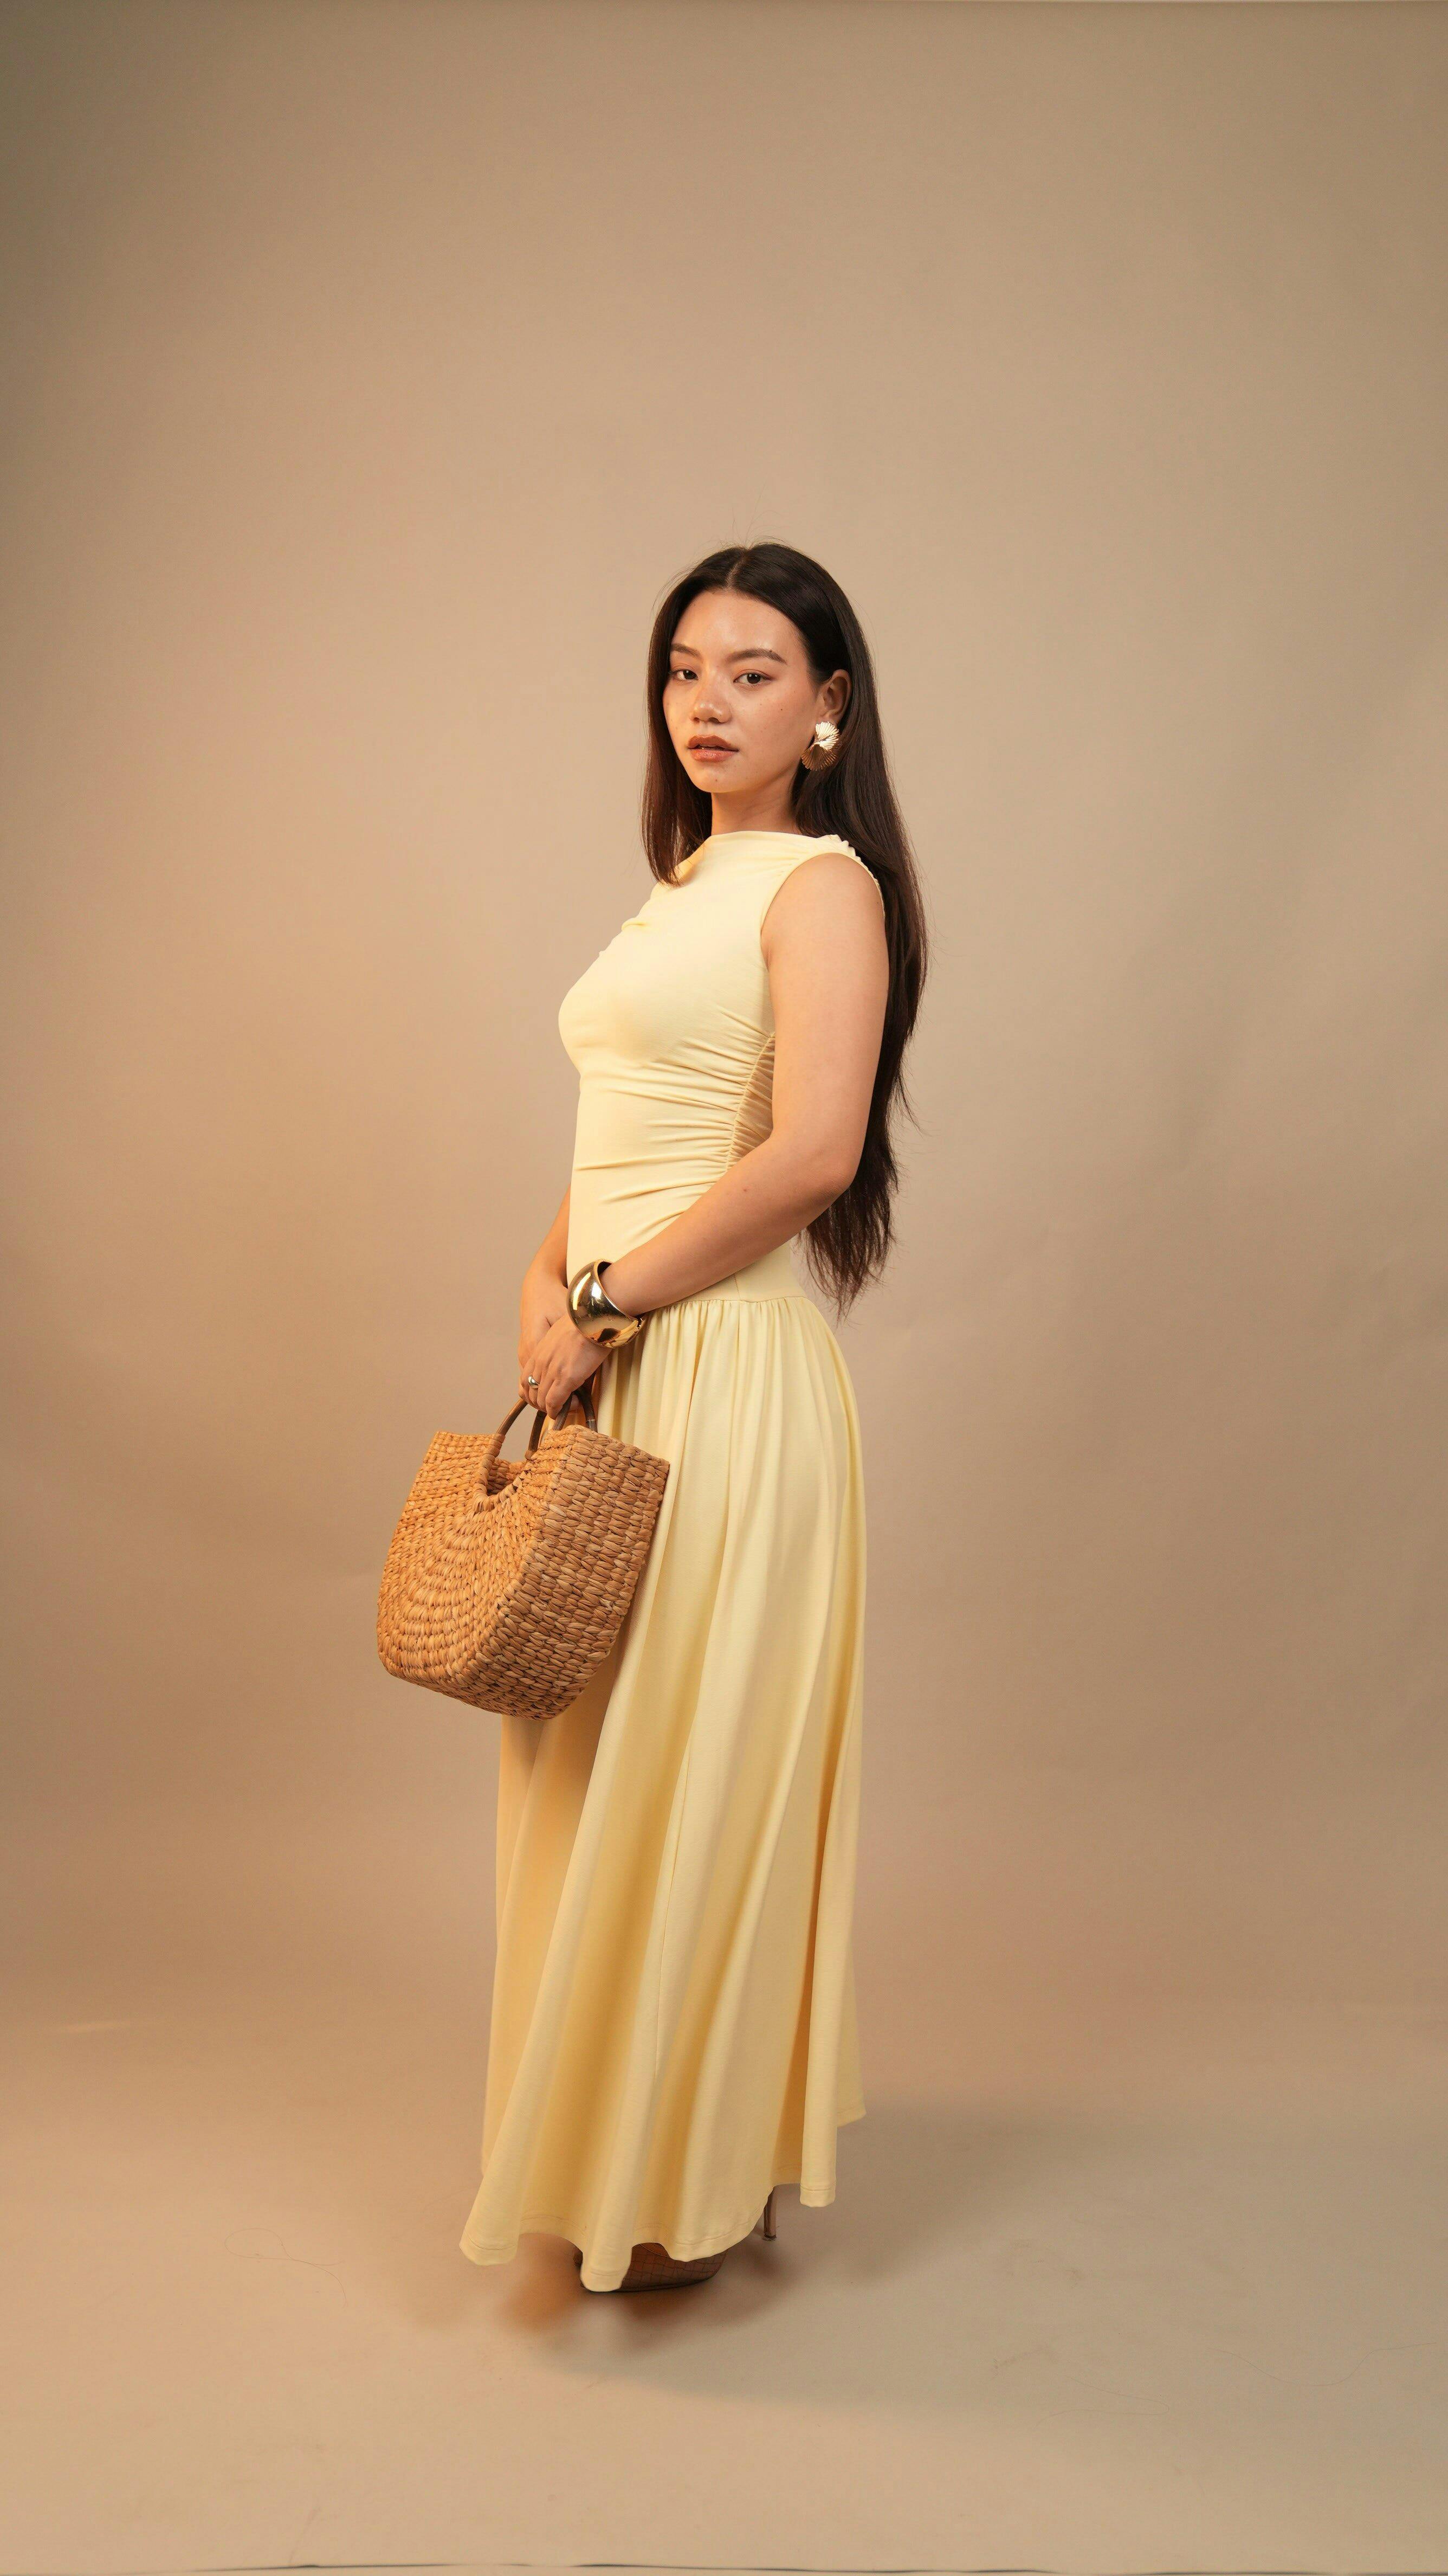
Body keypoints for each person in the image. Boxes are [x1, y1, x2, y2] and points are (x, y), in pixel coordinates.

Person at [458, 540, 928, 2294]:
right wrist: (542, 1276)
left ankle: (688, 2176)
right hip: (621, 1352)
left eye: (751, 671)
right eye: (683, 669)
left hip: (718, 1370)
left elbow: (810, 1156)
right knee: (590, 1765)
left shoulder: (822, 887)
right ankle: (613, 2152)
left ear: (829, 705)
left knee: (690, 1768)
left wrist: (602, 1300)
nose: (708, 703)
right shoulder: (679, 884)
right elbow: (631, 1132)